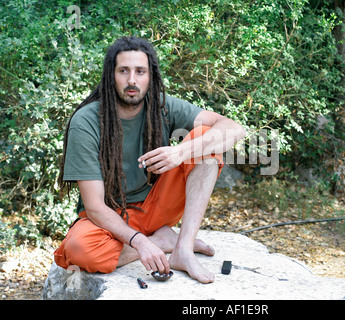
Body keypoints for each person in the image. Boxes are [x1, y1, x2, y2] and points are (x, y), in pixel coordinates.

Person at [54, 36, 246, 284]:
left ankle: (183, 249)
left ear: (150, 76)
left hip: (157, 205)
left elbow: (234, 128)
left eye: (140, 71)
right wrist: (142, 242)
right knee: (80, 250)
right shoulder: (86, 122)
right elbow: (94, 207)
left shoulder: (162, 106)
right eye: (123, 71)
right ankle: (163, 241)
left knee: (205, 139)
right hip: (111, 215)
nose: (131, 80)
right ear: (110, 76)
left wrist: (180, 153)